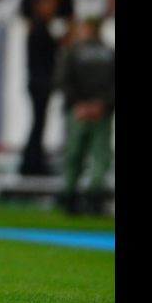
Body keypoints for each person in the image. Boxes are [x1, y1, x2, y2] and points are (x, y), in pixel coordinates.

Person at [18, 0, 75, 175]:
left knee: (43, 119)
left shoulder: (47, 29)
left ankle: (34, 160)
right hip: (39, 77)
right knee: (38, 119)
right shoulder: (39, 31)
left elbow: (66, 37)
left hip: (47, 74)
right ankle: (31, 162)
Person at [54, 17, 114, 215]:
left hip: (77, 112)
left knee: (74, 155)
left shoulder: (73, 53)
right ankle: (94, 198)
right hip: (101, 113)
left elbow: (63, 81)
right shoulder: (109, 53)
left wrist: (78, 104)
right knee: (99, 157)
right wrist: (101, 105)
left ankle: (70, 197)